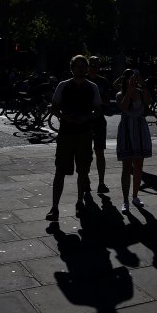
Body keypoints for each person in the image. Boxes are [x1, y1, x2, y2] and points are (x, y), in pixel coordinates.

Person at [47, 55, 101, 220]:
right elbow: (53, 107)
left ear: (87, 68)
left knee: (83, 171)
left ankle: (79, 202)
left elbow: (98, 110)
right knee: (60, 171)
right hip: (66, 133)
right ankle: (54, 207)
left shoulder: (93, 87)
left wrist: (88, 117)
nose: (80, 69)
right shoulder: (63, 86)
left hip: (84, 134)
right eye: (77, 66)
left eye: (83, 66)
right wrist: (64, 116)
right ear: (72, 69)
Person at [116, 69, 153, 213]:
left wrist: (142, 86)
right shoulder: (120, 94)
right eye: (131, 78)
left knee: (138, 164)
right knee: (126, 166)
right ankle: (125, 200)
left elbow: (148, 101)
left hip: (139, 128)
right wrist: (130, 90)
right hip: (126, 129)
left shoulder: (141, 92)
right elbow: (124, 107)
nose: (134, 80)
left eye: (136, 78)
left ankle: (135, 196)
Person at [87, 56, 111, 194]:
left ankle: (101, 182)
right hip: (85, 119)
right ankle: (86, 180)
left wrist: (98, 96)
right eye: (92, 64)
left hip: (98, 119)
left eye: (96, 65)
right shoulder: (82, 80)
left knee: (99, 151)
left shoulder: (102, 81)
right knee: (85, 152)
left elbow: (107, 101)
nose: (94, 67)